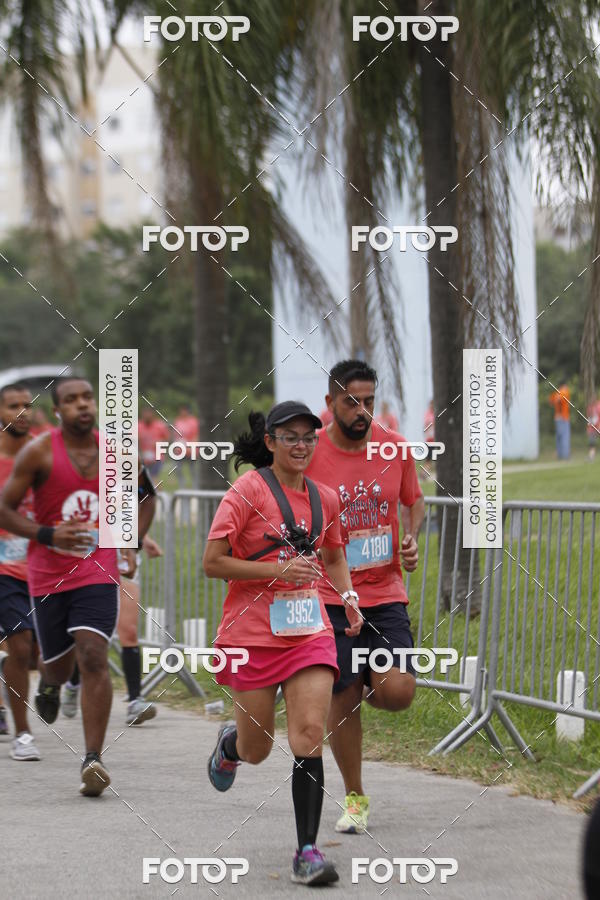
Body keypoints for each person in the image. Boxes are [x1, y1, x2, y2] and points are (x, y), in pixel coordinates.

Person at [203, 401, 361, 886]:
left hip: (308, 631)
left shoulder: (325, 498)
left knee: (309, 733)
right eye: (290, 437)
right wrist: (275, 570)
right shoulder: (247, 492)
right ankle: (230, 746)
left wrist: (349, 598)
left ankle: (307, 852)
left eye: (308, 438)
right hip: (252, 634)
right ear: (269, 442)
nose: (301, 446)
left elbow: (333, 557)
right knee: (259, 749)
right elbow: (213, 562)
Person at [0, 377, 156, 795]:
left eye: (87, 398)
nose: (82, 405)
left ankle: (93, 759)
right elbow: (4, 509)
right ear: (57, 412)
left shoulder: (116, 451)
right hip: (48, 574)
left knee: (92, 653)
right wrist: (48, 534)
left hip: (96, 569)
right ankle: (50, 683)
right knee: (56, 662)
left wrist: (132, 541)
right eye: (71, 400)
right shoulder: (39, 452)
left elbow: (146, 496)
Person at [306, 359, 424, 834]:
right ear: (330, 402)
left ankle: (371, 681)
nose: (362, 412)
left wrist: (411, 539)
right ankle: (355, 797)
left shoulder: (396, 449)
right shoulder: (309, 454)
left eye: (369, 402)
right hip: (330, 595)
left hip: (385, 591)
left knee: (398, 692)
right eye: (352, 402)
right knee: (342, 692)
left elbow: (414, 504)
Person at [62, 533, 163, 726]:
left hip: (122, 553)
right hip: (91, 556)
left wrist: (142, 537)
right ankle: (74, 683)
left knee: (129, 631)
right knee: (87, 636)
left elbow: (121, 507)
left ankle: (135, 701)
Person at [0, 383, 40, 760]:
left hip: (44, 567)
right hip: (4, 570)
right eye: (14, 405)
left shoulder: (41, 456)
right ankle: (22, 734)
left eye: (27, 405)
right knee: (21, 641)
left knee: (43, 655)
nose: (22, 411)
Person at [173, 405, 200, 489]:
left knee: (193, 471)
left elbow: (196, 436)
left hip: (190, 450)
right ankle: (182, 487)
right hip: (180, 450)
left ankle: (196, 488)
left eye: (184, 410)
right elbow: (176, 436)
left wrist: (190, 447)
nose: (182, 412)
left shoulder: (193, 421)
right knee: (178, 469)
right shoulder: (177, 421)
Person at [138, 407, 169, 480]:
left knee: (154, 478)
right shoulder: (138, 426)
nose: (146, 416)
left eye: (148, 414)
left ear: (152, 415)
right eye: (145, 414)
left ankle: (157, 491)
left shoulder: (160, 425)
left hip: (157, 457)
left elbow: (167, 440)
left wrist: (159, 443)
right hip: (143, 457)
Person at [549, 381, 571, 460]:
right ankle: (565, 455)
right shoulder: (564, 392)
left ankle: (560, 455)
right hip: (564, 417)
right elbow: (561, 399)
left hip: (557, 417)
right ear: (564, 385)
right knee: (565, 436)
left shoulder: (556, 393)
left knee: (559, 437)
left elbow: (550, 401)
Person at [586, 396, 600, 462]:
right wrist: (589, 428)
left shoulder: (598, 406)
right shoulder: (589, 407)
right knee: (592, 443)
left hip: (598, 427)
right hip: (592, 429)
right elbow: (589, 419)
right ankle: (591, 456)